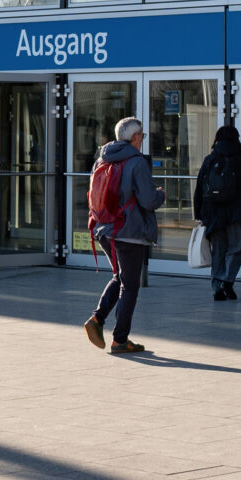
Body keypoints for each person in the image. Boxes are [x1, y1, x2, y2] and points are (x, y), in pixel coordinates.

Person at [81, 118, 162, 355]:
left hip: (105, 229)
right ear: (135, 137)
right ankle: (120, 339)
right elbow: (147, 200)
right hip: (129, 232)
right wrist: (160, 195)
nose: (142, 140)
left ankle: (97, 320)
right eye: (142, 136)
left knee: (120, 277)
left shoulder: (102, 159)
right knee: (130, 285)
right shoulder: (136, 162)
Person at [193, 125, 241, 301]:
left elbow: (199, 188)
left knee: (218, 250)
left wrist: (199, 214)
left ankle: (216, 287)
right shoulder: (240, 159)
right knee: (236, 247)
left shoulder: (210, 159)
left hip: (213, 213)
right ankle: (228, 280)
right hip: (237, 213)